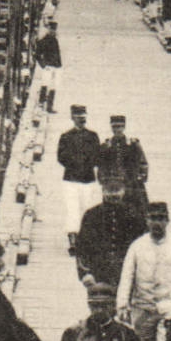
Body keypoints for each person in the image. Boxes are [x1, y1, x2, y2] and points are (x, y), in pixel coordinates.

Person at [118, 202, 171, 341]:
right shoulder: (137, 247)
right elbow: (127, 277)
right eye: (152, 218)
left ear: (167, 221)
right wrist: (122, 306)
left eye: (161, 218)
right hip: (142, 310)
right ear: (146, 220)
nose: (156, 223)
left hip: (169, 310)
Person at [76, 177, 147, 288]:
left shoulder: (134, 215)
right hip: (98, 276)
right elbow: (82, 248)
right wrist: (85, 274)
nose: (113, 194)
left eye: (117, 190)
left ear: (123, 190)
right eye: (110, 190)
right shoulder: (91, 215)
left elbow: (144, 246)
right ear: (103, 190)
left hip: (129, 276)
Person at [57, 105, 102, 255]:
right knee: (72, 209)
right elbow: (61, 157)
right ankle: (73, 240)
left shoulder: (93, 136)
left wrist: (88, 163)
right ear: (72, 118)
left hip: (88, 179)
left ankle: (87, 240)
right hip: (71, 179)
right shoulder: (66, 137)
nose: (81, 119)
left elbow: (97, 156)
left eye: (83, 116)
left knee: (87, 209)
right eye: (78, 117)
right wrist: (75, 163)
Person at [98, 115, 150, 214]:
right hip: (113, 187)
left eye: (120, 126)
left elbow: (143, 163)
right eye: (114, 127)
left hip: (131, 186)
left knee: (135, 212)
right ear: (111, 127)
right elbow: (101, 166)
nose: (117, 130)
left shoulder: (133, 144)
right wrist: (104, 181)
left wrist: (139, 179)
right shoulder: (106, 146)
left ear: (124, 127)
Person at [34, 18, 62, 114]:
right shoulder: (44, 41)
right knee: (45, 85)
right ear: (48, 29)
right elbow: (37, 55)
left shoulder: (55, 40)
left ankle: (49, 107)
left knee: (53, 87)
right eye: (51, 29)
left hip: (56, 67)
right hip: (48, 67)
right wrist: (43, 65)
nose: (53, 31)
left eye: (54, 30)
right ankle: (41, 104)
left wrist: (59, 66)